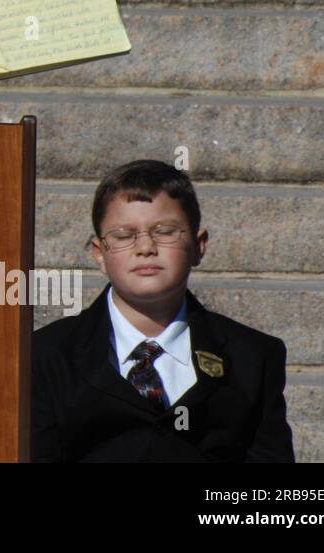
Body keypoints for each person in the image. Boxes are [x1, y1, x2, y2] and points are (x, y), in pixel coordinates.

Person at [31, 159, 295, 462]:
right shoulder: (46, 356)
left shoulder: (251, 357)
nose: (145, 247)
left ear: (199, 246)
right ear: (99, 254)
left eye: (166, 231)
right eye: (123, 235)